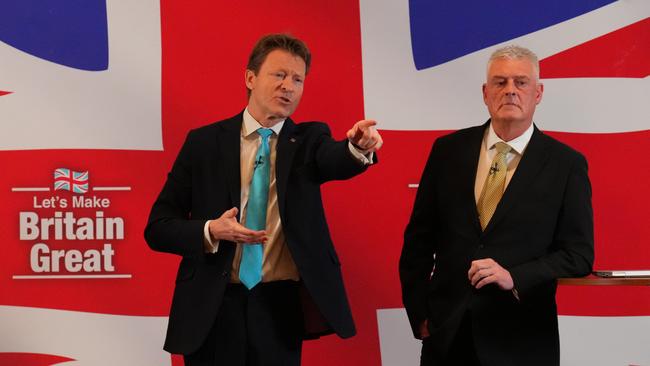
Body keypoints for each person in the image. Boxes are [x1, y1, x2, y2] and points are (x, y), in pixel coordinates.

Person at [145, 33, 382, 366]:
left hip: (278, 308)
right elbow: (158, 227)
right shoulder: (203, 144)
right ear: (250, 78)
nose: (289, 86)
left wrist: (357, 147)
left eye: (298, 79)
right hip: (213, 307)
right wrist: (212, 230)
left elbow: (335, 158)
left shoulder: (310, 140)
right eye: (280, 75)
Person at [399, 45, 594, 366]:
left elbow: (579, 255)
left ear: (539, 93)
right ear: (485, 92)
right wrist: (420, 314)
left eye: (521, 82)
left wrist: (514, 276)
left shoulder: (566, 163)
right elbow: (419, 240)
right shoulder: (447, 150)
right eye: (500, 82)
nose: (510, 91)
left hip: (522, 338)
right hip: (447, 335)